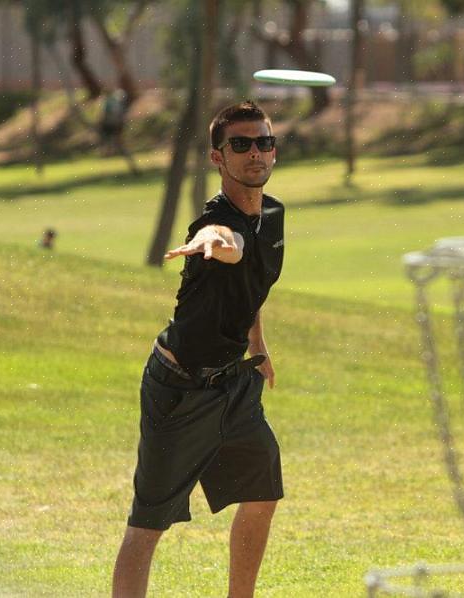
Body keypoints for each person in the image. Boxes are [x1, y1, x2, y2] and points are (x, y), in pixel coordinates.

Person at [112, 101, 285, 598]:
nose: (255, 153)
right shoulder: (213, 224)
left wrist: (258, 344)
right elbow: (224, 238)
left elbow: (253, 285)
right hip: (180, 390)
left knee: (263, 492)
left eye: (264, 142)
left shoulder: (272, 215)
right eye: (241, 144)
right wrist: (213, 242)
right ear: (217, 157)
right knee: (148, 525)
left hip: (234, 383)